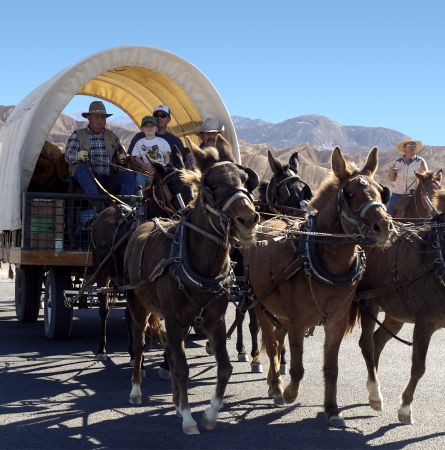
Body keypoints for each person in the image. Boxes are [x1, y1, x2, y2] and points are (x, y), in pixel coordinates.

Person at [64, 101, 135, 195]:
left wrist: (122, 158)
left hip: (108, 178)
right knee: (81, 168)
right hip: (86, 179)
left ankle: (124, 207)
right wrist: (78, 156)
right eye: (96, 117)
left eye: (102, 117)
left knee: (129, 176)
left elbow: (120, 152)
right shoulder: (78, 135)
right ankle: (97, 204)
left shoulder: (112, 136)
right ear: (89, 118)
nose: (100, 120)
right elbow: (68, 157)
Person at [128, 104, 194, 169]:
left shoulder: (176, 141)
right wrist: (144, 170)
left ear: (169, 119)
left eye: (163, 115)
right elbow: (132, 159)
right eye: (156, 115)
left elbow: (181, 164)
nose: (159, 118)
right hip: (143, 174)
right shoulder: (140, 137)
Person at [386, 137, 428, 216]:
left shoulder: (421, 161)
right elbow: (391, 179)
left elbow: (426, 177)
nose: (413, 147)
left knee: (427, 213)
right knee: (388, 214)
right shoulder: (397, 162)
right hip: (397, 194)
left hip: (414, 195)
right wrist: (392, 171)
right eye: (410, 145)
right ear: (404, 148)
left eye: (414, 145)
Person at [130, 115, 171, 187]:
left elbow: (166, 155)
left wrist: (165, 166)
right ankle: (140, 195)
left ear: (156, 129)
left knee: (166, 181)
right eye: (146, 126)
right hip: (147, 170)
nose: (149, 128)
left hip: (160, 168)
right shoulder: (139, 142)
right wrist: (144, 165)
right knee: (140, 177)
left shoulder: (162, 141)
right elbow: (136, 157)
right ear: (142, 129)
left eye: (151, 126)